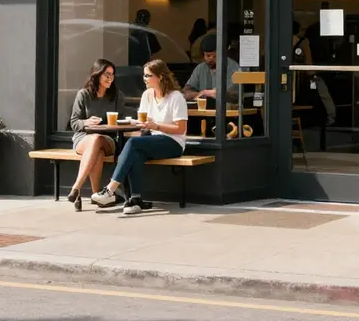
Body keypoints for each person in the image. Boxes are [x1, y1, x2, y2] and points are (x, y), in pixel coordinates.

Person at [91, 59, 187, 215]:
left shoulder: (176, 97)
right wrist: (139, 126)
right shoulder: (147, 95)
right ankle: (135, 200)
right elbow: (144, 123)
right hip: (151, 139)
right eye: (144, 76)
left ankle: (110, 190)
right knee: (134, 150)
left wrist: (156, 126)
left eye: (148, 76)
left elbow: (181, 129)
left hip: (173, 142)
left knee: (134, 143)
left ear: (160, 77)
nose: (145, 79)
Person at [68, 59, 126, 211]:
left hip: (108, 139)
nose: (110, 78)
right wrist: (86, 122)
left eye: (112, 75)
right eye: (106, 74)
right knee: (96, 147)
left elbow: (121, 120)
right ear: (97, 74)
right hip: (83, 139)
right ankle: (96, 195)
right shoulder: (84, 94)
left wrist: (110, 124)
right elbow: (74, 122)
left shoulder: (117, 95)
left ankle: (76, 187)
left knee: (98, 139)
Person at [293, 20, 336, 125]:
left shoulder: (284, 41)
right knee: (323, 94)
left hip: (294, 76)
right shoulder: (303, 42)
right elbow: (308, 61)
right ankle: (331, 117)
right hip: (307, 74)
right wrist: (312, 74)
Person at [182, 33, 240, 103]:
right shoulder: (200, 68)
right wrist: (201, 94)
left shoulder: (233, 67)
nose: (211, 59)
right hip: (204, 111)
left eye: (215, 56)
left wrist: (214, 93)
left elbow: (234, 96)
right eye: (208, 55)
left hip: (227, 111)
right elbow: (185, 92)